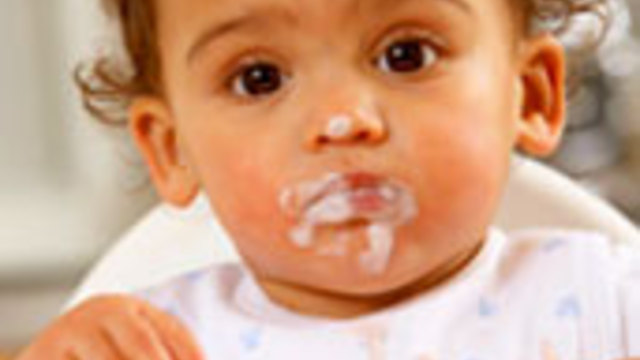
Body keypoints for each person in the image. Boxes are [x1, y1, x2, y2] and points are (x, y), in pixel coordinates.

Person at [17, 0, 640, 358]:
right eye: (258, 78)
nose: (342, 120)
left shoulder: (605, 302)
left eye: (406, 55)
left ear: (529, 94)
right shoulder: (158, 344)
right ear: (173, 148)